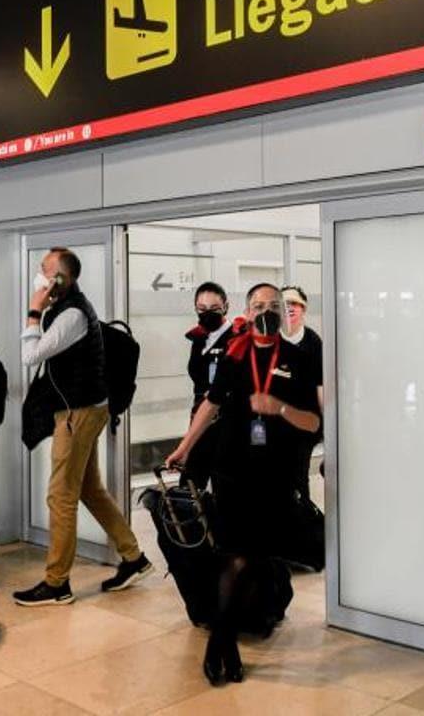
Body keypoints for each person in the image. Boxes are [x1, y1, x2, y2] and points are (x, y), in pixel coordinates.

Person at [167, 283, 321, 685]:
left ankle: (224, 637)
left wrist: (281, 408)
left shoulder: (299, 358)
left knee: (254, 557)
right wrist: (184, 447)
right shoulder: (235, 355)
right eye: (258, 306)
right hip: (232, 470)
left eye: (274, 306)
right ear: (247, 312)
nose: (266, 312)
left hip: (275, 475)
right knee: (236, 553)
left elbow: (314, 422)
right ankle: (222, 640)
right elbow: (211, 403)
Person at [13, 247, 152, 607]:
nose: (39, 275)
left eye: (45, 270)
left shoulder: (72, 314)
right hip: (83, 407)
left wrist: (33, 310)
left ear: (61, 278)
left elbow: (30, 356)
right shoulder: (67, 308)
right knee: (89, 489)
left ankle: (57, 583)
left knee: (60, 495)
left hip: (79, 413)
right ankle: (133, 557)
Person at [181, 282, 235, 490]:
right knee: (191, 484)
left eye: (213, 309)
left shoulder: (236, 338)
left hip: (227, 422)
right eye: (201, 309)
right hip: (200, 418)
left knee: (224, 484)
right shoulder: (199, 338)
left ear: (225, 307)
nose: (207, 314)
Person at [280, 285, 324, 494]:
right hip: (274, 424)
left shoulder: (314, 342)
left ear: (304, 309)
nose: (289, 308)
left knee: (299, 476)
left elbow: (321, 386)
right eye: (284, 304)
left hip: (304, 424)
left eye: (295, 304)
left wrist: (327, 425)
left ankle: (303, 517)